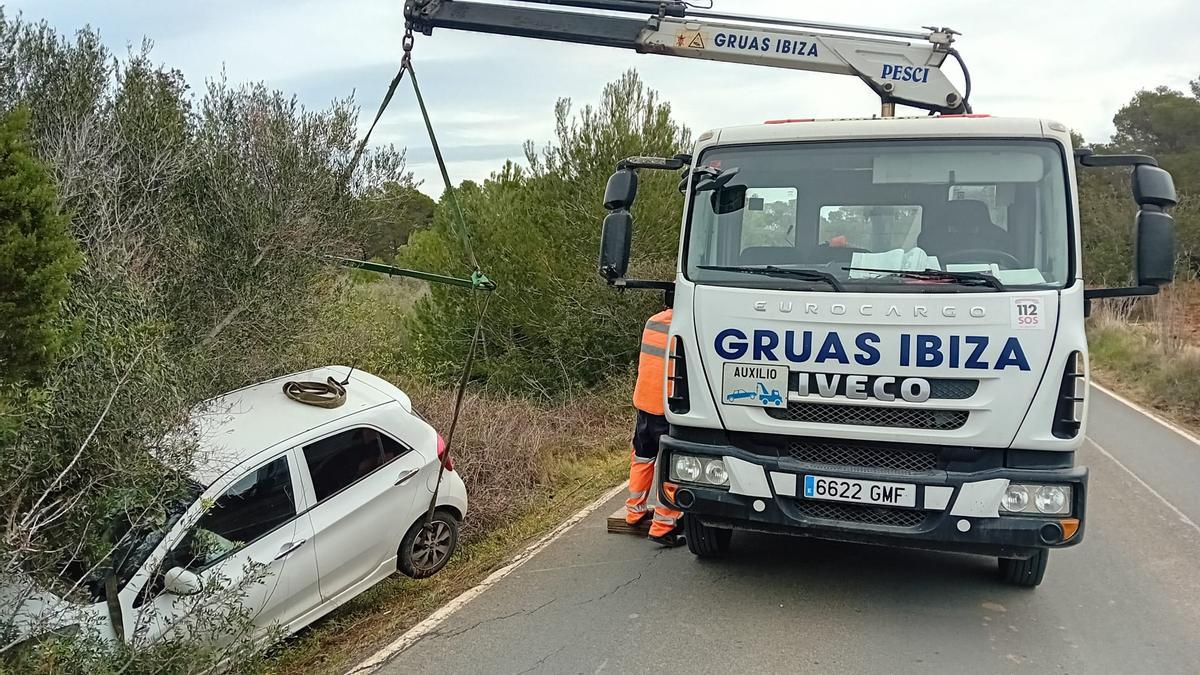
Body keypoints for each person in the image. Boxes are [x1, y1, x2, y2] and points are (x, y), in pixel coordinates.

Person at [625, 303, 685, 547]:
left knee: (642, 456)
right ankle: (663, 526)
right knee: (674, 466)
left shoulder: (653, 322)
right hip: (667, 407)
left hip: (645, 403)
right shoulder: (685, 326)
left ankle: (634, 511)